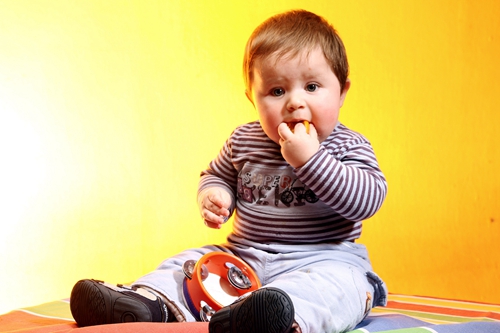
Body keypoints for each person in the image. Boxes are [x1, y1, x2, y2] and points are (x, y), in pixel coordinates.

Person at [70, 9, 388, 333]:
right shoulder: (243, 139)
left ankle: (278, 321)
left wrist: (311, 160)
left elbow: (367, 200)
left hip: (323, 261)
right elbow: (217, 175)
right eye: (277, 91)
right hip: (242, 257)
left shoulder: (347, 145)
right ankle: (148, 302)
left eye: (312, 86)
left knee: (337, 288)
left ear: (342, 91)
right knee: (189, 264)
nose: (294, 102)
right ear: (253, 97)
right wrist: (215, 194)